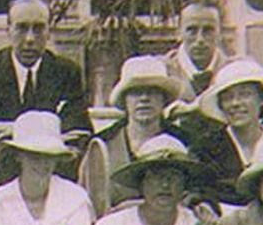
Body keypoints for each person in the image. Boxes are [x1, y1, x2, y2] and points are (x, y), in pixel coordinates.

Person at [0, 0, 91, 182]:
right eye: (22, 28)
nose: (30, 39)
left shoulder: (67, 72)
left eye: (38, 29)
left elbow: (77, 129)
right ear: (8, 31)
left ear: (49, 32)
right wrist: (48, 130)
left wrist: (16, 128)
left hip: (51, 175)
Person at [79, 55, 191, 216]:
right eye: (136, 93)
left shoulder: (185, 142)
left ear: (163, 99)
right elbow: (88, 199)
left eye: (152, 92)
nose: (144, 99)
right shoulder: (103, 144)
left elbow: (194, 193)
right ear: (125, 100)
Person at [187, 58, 263, 201]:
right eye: (228, 98)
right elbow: (200, 194)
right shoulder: (207, 150)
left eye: (245, 94)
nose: (235, 103)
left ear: (262, 99)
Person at [164, 0, 229, 98]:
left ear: (220, 33)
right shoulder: (163, 71)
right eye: (192, 30)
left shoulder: (233, 71)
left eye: (208, 30)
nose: (200, 39)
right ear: (178, 33)